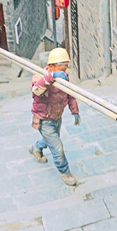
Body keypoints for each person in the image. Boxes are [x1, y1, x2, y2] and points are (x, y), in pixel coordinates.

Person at [28, 47, 81, 186]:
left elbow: (70, 94)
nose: (64, 72)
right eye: (61, 69)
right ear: (51, 66)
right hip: (44, 120)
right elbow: (36, 91)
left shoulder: (64, 77)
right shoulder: (39, 77)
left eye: (65, 69)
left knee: (51, 140)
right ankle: (65, 172)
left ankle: (36, 148)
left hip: (57, 117)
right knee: (57, 148)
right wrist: (51, 77)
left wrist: (75, 111)